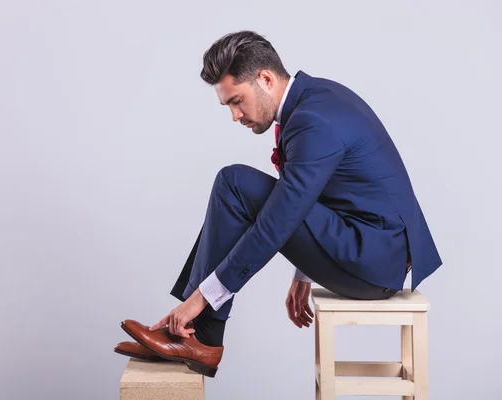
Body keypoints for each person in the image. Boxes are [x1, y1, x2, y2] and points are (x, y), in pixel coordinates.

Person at [114, 30, 442, 378]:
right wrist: (303, 274)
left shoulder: (314, 121)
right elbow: (315, 194)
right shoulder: (315, 98)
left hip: (373, 264)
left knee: (235, 183)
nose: (235, 116)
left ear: (265, 79)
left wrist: (201, 297)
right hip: (369, 247)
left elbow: (278, 221)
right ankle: (198, 335)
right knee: (237, 184)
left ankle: (202, 334)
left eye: (237, 101)